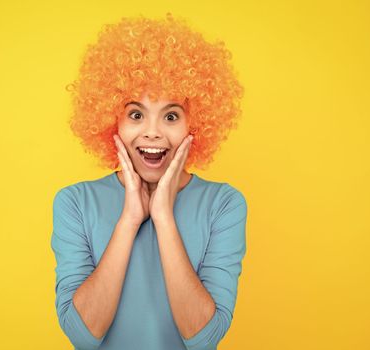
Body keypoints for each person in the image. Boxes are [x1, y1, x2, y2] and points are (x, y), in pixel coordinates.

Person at [51, 13, 248, 350]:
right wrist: (129, 220)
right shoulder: (75, 202)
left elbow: (204, 338)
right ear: (113, 120)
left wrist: (164, 217)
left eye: (171, 116)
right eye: (136, 114)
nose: (153, 131)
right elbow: (83, 336)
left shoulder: (224, 204)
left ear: (194, 125)